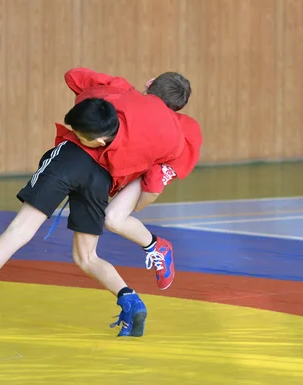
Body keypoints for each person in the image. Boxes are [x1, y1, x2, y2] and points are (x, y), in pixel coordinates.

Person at [0, 70, 188, 340]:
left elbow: (74, 76)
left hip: (71, 159)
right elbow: (154, 183)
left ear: (151, 83)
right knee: (87, 257)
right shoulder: (175, 139)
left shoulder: (122, 92)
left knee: (20, 229)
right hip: (101, 180)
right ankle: (131, 302)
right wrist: (138, 204)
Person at [63, 68, 203, 291]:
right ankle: (154, 245)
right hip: (121, 165)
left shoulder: (177, 133)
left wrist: (137, 205)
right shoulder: (122, 92)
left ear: (150, 83)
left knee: (113, 219)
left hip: (144, 171)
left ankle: (157, 246)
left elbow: (73, 76)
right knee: (111, 221)